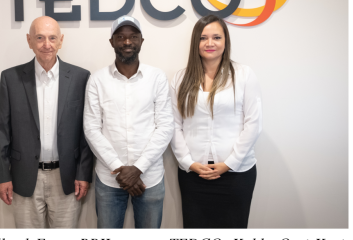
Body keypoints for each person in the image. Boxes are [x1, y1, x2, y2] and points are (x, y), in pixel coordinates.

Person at [0, 16, 93, 228]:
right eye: (39, 38)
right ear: (29, 41)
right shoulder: (10, 79)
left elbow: (87, 131)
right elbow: (2, 131)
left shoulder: (81, 78)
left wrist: (83, 174)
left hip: (66, 179)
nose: (46, 45)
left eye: (52, 38)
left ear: (61, 41)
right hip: (24, 178)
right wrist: (3, 176)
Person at [170, 14, 262, 228]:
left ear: (225, 41)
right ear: (196, 42)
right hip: (194, 175)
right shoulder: (181, 78)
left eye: (216, 37)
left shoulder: (244, 75)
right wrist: (188, 163)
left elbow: (254, 123)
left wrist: (229, 164)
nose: (210, 43)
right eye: (203, 38)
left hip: (237, 174)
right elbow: (173, 125)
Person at [83, 15, 174, 229]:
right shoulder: (97, 80)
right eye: (121, 37)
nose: (127, 42)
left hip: (149, 178)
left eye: (133, 36)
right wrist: (119, 169)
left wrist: (138, 169)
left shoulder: (157, 77)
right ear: (112, 42)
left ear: (142, 40)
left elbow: (165, 127)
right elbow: (92, 128)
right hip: (109, 179)